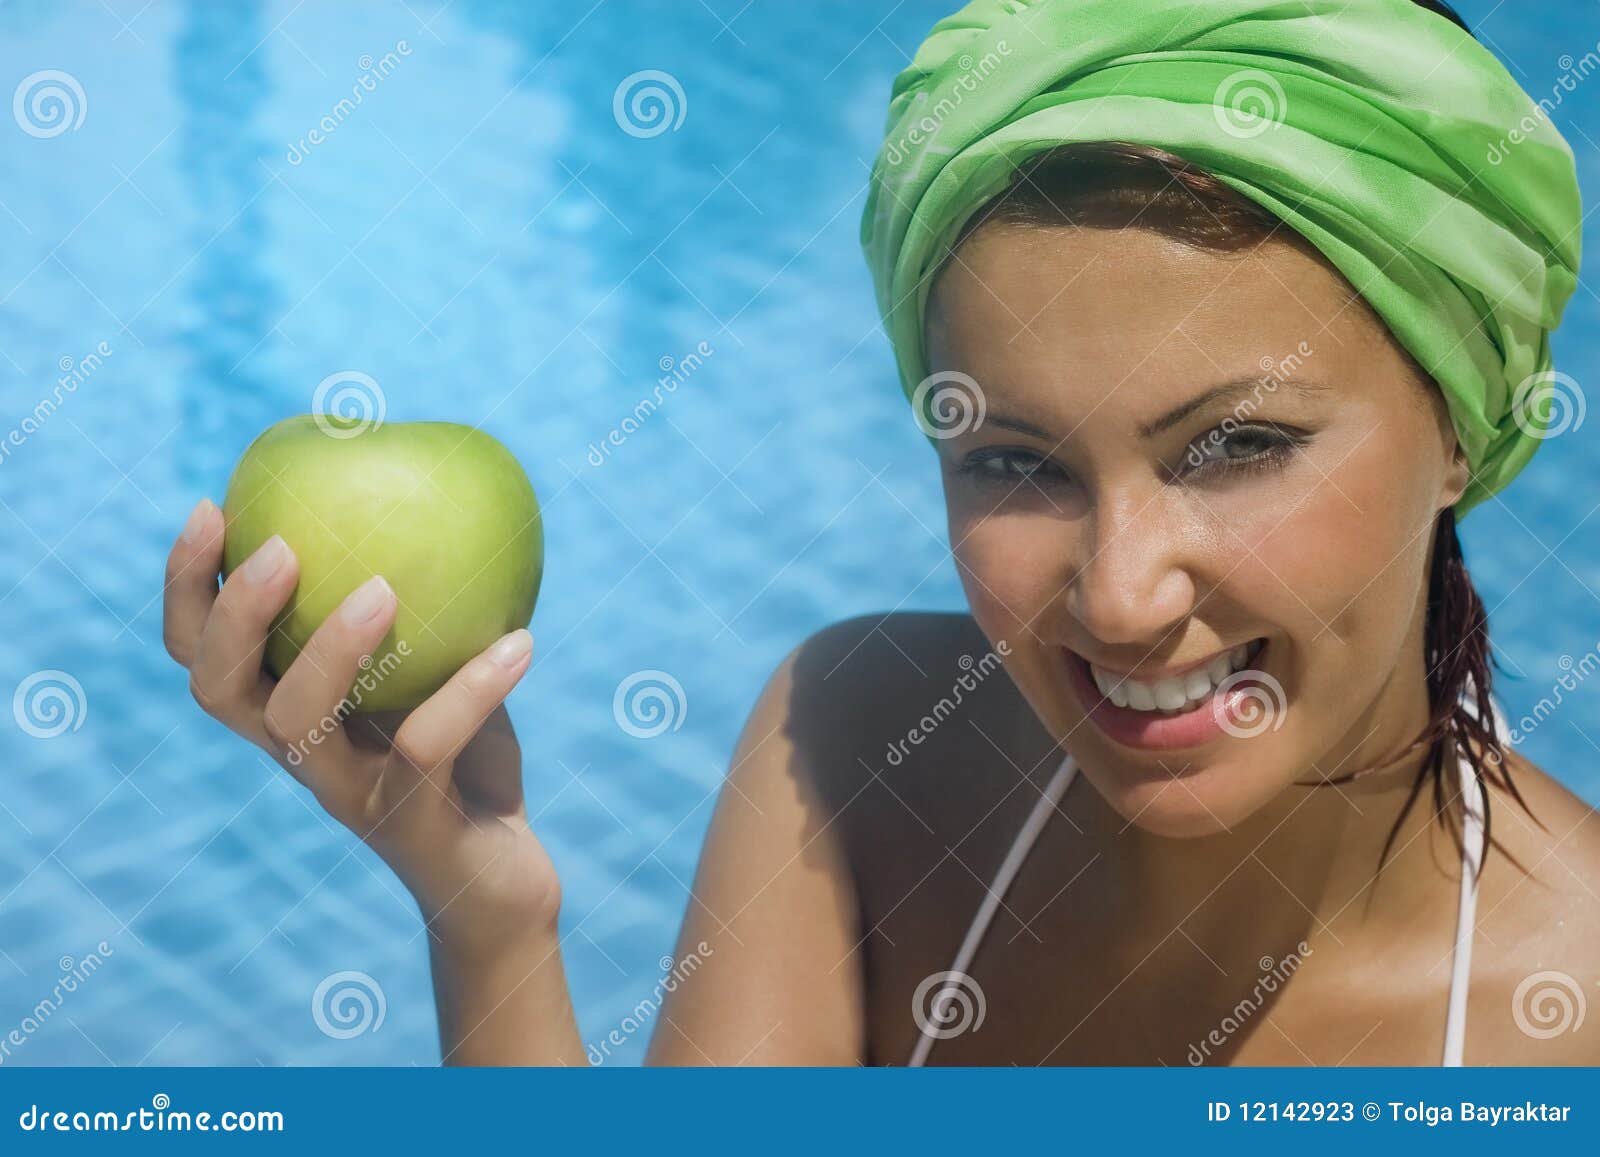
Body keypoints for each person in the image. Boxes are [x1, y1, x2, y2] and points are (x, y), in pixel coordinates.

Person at [161, 0, 1598, 1065]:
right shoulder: (861, 761)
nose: (1122, 591)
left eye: (1236, 447)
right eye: (1016, 462)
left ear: (1464, 420)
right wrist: (484, 917)